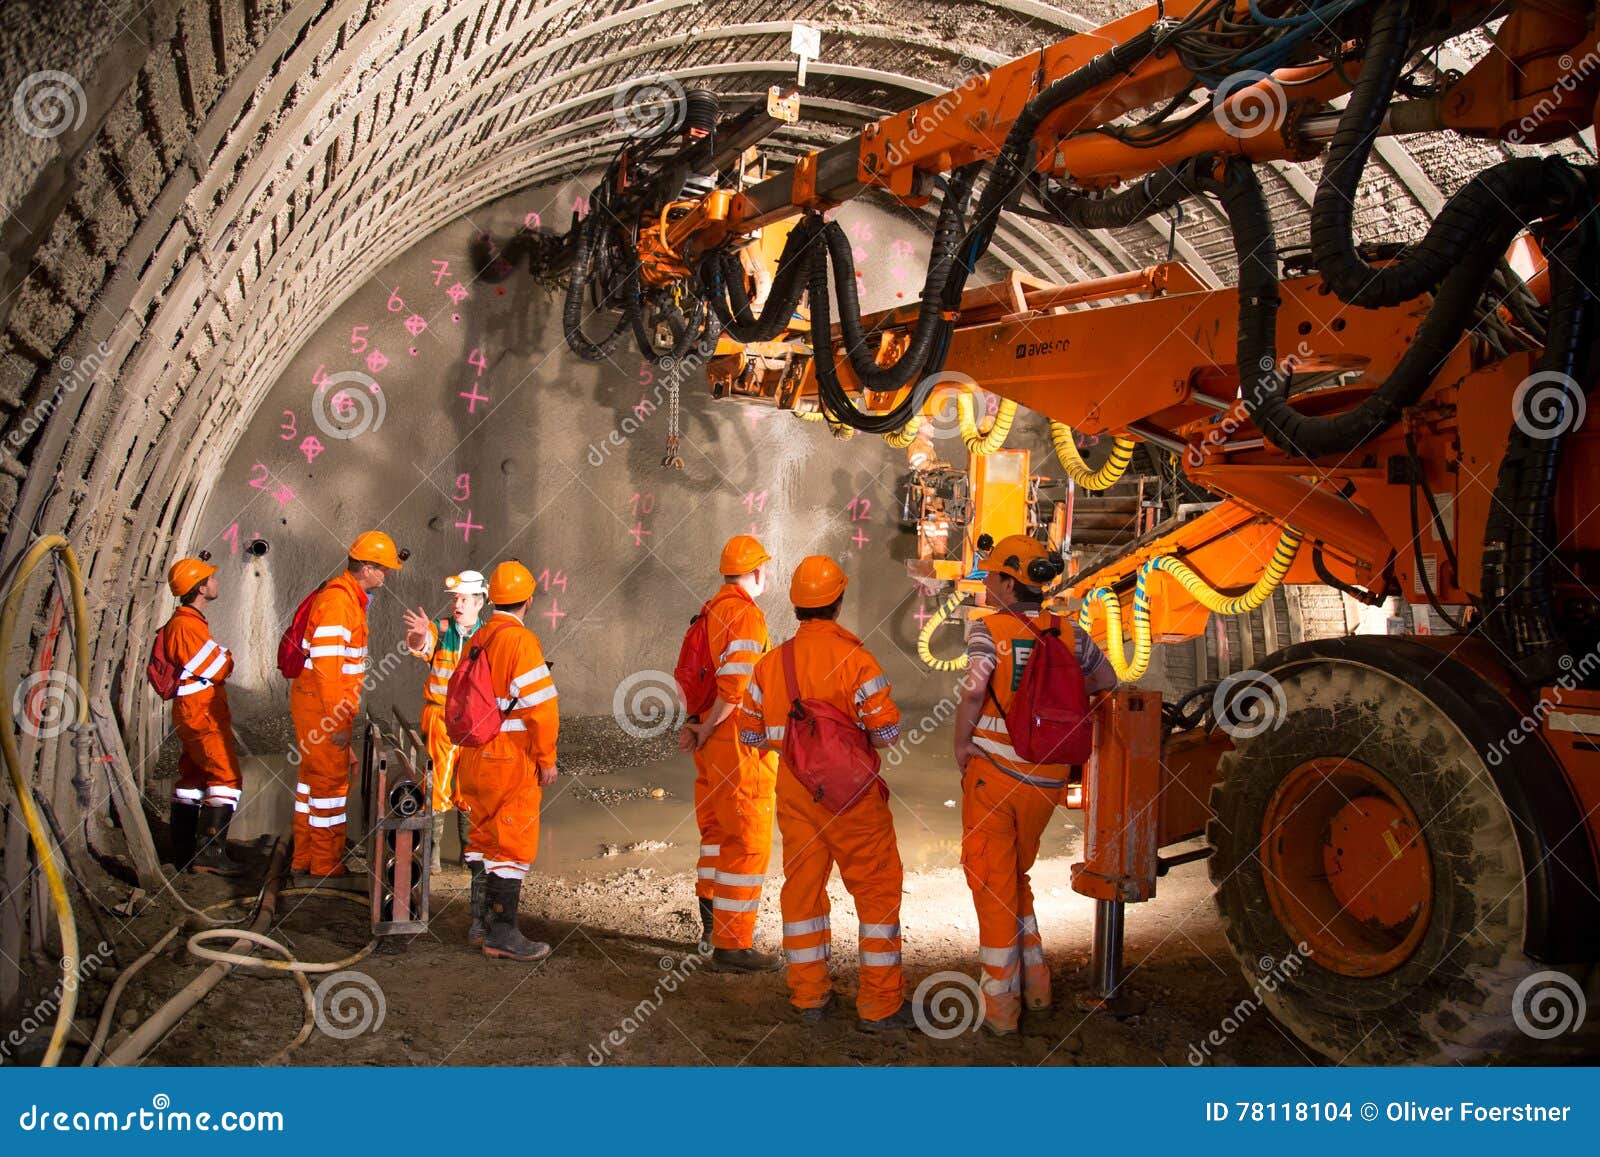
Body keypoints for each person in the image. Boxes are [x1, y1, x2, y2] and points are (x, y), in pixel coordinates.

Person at [738, 555, 915, 1032]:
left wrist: (794, 744)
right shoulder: (858, 661)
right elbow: (887, 734)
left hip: (797, 792)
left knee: (803, 893)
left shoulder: (770, 665)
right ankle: (879, 1006)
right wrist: (845, 745)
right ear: (838, 601)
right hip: (853, 796)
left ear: (796, 606)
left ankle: (809, 998)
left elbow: (750, 734)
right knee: (877, 892)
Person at [952, 533, 1117, 1035]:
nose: (987, 588)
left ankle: (1001, 1009)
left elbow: (975, 689)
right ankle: (1037, 985)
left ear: (1007, 581)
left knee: (990, 881)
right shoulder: (1071, 634)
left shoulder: (988, 632)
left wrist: (961, 744)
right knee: (1016, 876)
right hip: (1047, 779)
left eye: (992, 578)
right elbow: (1107, 683)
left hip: (994, 777)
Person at [678, 534, 780, 970]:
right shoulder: (747, 617)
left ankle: (710, 929)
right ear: (757, 572)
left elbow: (692, 675)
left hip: (711, 741)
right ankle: (733, 945)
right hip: (736, 741)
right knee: (746, 837)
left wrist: (695, 725)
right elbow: (735, 690)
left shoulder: (709, 611)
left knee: (717, 832)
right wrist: (707, 730)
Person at [455, 560, 559, 961]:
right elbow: (542, 708)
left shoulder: (477, 637)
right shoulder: (521, 642)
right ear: (529, 600)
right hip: (508, 759)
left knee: (482, 838)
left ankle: (479, 924)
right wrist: (546, 758)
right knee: (511, 844)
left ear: (493, 598)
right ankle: (502, 934)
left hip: (474, 757)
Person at [290, 530, 403, 884]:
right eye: (383, 569)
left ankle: (304, 856)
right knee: (328, 786)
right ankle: (323, 864)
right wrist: (337, 720)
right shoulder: (339, 603)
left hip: (315, 704)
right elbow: (328, 670)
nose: (386, 575)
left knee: (312, 783)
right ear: (366, 568)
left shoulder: (346, 599)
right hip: (323, 708)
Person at [159, 556, 247, 876]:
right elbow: (219, 668)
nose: (216, 581)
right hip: (201, 712)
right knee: (226, 778)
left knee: (193, 780)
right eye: (211, 578)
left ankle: (183, 850)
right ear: (200, 588)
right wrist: (226, 656)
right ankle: (210, 854)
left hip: (196, 710)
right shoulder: (186, 627)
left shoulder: (188, 624)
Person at [402, 571, 488, 871]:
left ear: (479, 603)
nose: (458, 604)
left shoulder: (487, 635)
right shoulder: (440, 629)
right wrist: (419, 634)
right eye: (455, 599)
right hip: (440, 716)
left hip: (475, 720)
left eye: (464, 599)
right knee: (437, 783)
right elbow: (419, 645)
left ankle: (468, 853)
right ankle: (434, 852)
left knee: (469, 786)